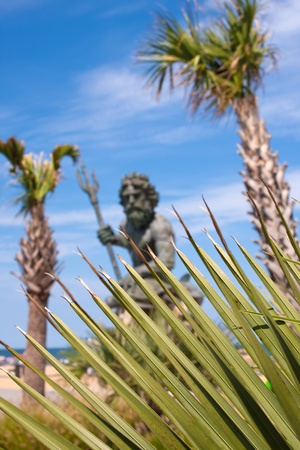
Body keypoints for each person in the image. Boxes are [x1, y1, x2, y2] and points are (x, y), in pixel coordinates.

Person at [98, 172, 203, 311]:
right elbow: (127, 242)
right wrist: (111, 238)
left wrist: (136, 272)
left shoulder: (160, 225)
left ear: (148, 198)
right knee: (111, 301)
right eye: (126, 198)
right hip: (135, 282)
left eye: (136, 196)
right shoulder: (126, 224)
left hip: (157, 280)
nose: (131, 202)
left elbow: (167, 262)